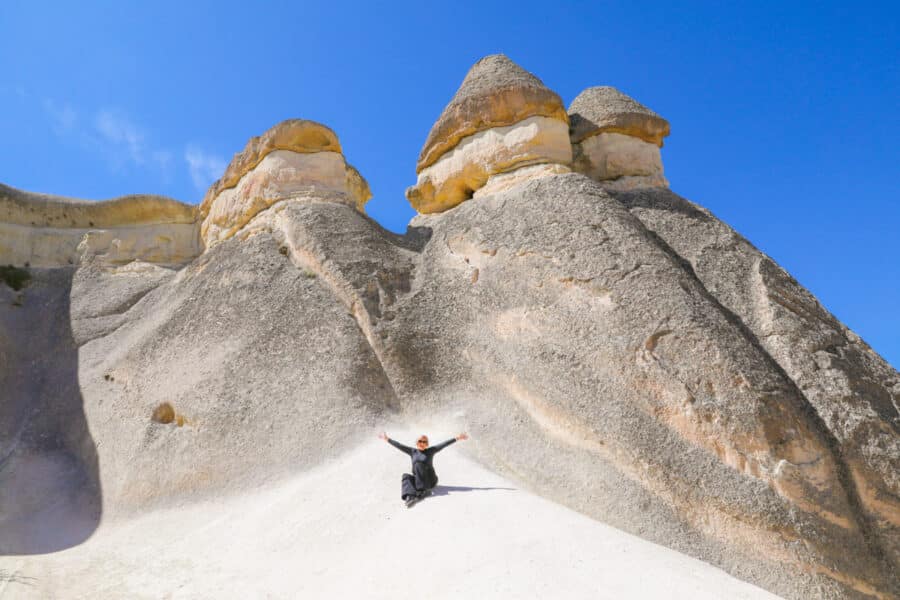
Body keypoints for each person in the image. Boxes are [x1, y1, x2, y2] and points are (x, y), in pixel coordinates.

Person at [378, 431, 469, 506]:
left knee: (418, 464)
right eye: (420, 441)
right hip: (419, 480)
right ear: (417, 443)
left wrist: (457, 438)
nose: (422, 443)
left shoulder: (431, 450)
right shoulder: (412, 451)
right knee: (406, 476)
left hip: (431, 480)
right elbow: (399, 445)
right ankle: (410, 497)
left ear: (427, 444)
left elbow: (444, 444)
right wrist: (387, 439)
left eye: (424, 442)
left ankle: (423, 491)